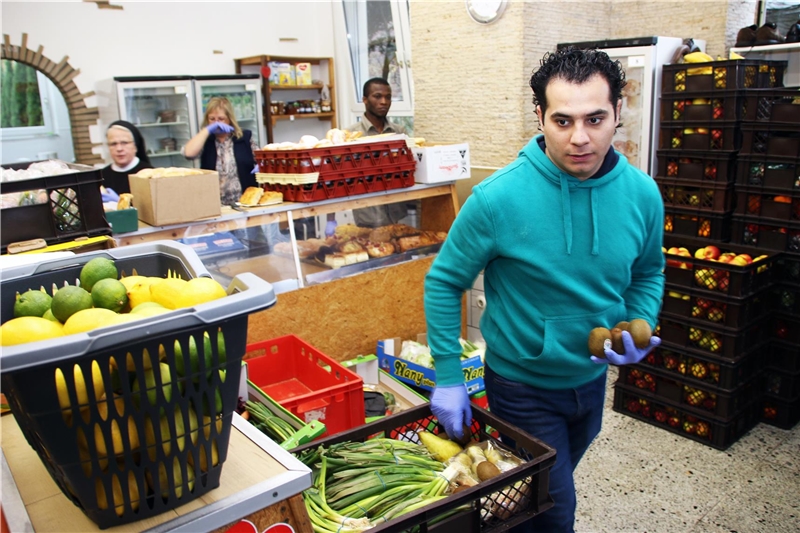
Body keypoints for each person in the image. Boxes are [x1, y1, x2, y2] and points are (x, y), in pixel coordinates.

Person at [424, 48, 665, 532]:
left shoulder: (642, 194)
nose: (580, 138)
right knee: (556, 513)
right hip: (521, 386)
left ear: (618, 112)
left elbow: (648, 272)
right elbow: (444, 281)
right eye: (563, 120)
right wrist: (449, 374)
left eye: (596, 118)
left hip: (592, 383)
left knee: (532, 501)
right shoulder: (497, 198)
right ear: (540, 116)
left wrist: (638, 326)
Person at [341, 77, 411, 230]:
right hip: (368, 217)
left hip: (398, 214)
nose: (384, 102)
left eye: (388, 97)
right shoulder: (350, 135)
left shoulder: (399, 133)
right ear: (365, 100)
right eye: (377, 96)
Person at [183, 96, 259, 206]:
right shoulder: (205, 140)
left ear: (230, 119)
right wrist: (206, 130)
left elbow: (262, 160)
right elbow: (188, 153)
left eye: (221, 119)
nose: (216, 123)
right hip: (214, 204)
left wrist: (261, 166)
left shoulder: (244, 138)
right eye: (212, 119)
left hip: (244, 203)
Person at [100, 120, 152, 196]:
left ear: (135, 146)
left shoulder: (150, 174)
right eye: (113, 144)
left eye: (124, 143)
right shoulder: (101, 177)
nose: (119, 149)